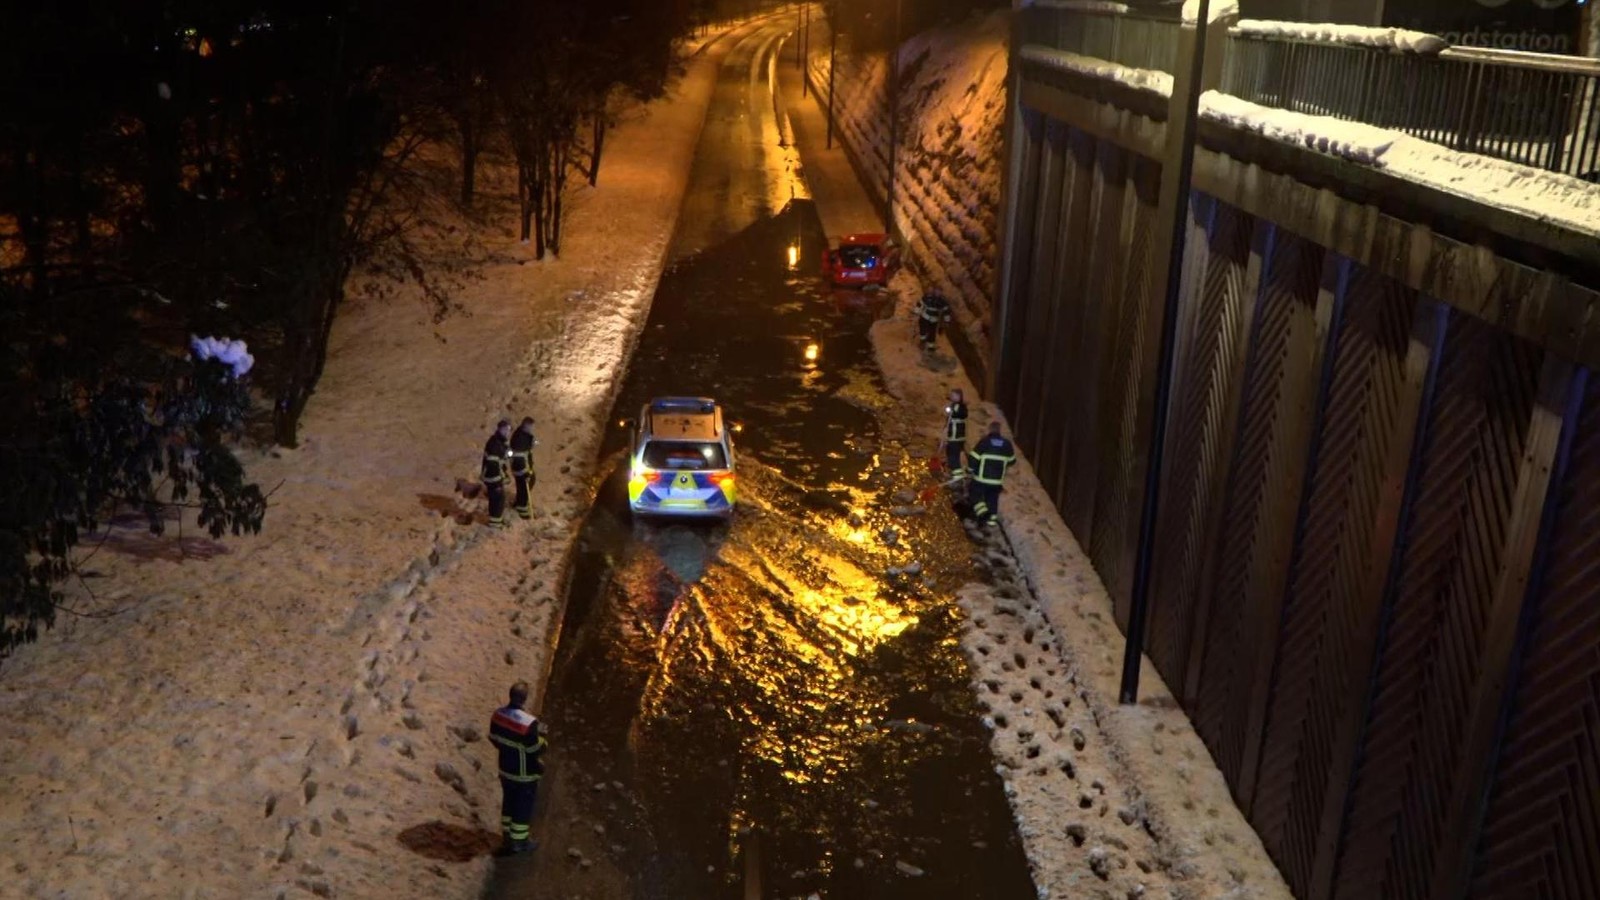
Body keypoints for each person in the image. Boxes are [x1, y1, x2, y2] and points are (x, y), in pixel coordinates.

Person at [489, 681, 547, 856]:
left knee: (508, 803)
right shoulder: (529, 723)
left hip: (505, 769)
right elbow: (535, 749)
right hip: (524, 774)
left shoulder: (498, 715)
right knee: (522, 808)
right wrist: (543, 737)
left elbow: (493, 738)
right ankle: (519, 842)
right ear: (524, 699)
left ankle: (507, 836)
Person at [966, 421, 1017, 527]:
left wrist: (970, 470)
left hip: (981, 478)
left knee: (974, 493)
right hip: (997, 480)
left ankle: (983, 513)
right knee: (992, 498)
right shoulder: (1007, 444)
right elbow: (1012, 461)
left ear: (990, 429)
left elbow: (974, 457)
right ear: (999, 430)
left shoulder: (985, 442)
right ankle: (992, 521)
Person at [481, 420, 512, 527]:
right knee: (498, 499)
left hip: (493, 475)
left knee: (496, 499)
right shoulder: (494, 444)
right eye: (506, 430)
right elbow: (494, 465)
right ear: (500, 429)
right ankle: (495, 523)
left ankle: (496, 520)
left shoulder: (499, 441)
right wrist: (502, 478)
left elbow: (502, 458)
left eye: (509, 430)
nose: (508, 433)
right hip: (493, 477)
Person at [509, 417, 537, 521]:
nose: (532, 429)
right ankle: (522, 509)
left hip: (524, 466)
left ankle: (519, 502)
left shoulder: (523, 434)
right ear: (526, 426)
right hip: (521, 468)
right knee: (525, 486)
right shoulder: (519, 439)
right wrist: (526, 472)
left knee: (523, 486)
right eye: (531, 427)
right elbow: (519, 458)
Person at [941, 388, 968, 478]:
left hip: (956, 437)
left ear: (959, 396)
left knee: (954, 457)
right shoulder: (953, 405)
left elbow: (963, 414)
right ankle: (953, 473)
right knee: (950, 454)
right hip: (952, 436)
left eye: (953, 395)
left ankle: (958, 477)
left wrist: (953, 413)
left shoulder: (960, 406)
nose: (951, 397)